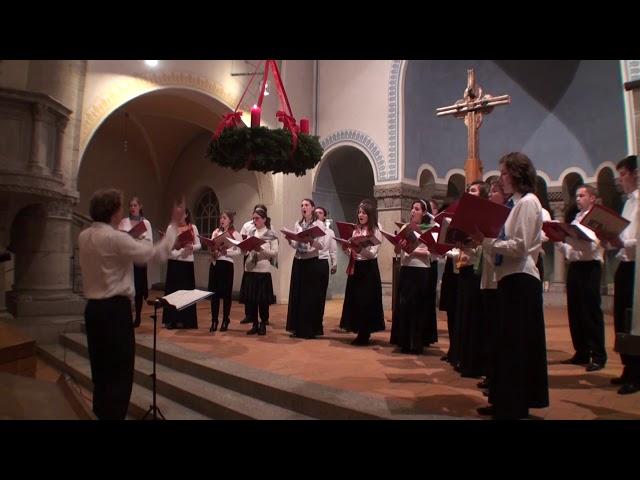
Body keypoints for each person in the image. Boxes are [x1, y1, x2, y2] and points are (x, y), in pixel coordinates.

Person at [78, 188, 181, 420]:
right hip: (114, 312)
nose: (123, 212)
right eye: (121, 208)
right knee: (119, 376)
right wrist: (174, 225)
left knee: (101, 372)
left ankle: (100, 414)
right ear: (114, 212)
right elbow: (156, 253)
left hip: (92, 310)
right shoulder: (116, 238)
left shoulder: (84, 236)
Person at [472, 152, 549, 420]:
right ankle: (503, 400)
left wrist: (486, 241)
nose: (500, 178)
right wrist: (484, 242)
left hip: (522, 281)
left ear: (517, 174)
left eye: (504, 173)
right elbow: (505, 249)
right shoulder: (515, 205)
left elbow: (520, 246)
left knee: (517, 345)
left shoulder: (528, 203)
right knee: (506, 345)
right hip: (510, 280)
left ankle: (515, 404)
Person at [556, 185, 606, 371]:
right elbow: (572, 251)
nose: (578, 199)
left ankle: (598, 355)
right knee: (575, 310)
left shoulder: (597, 218)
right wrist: (561, 242)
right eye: (576, 196)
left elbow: (592, 247)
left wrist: (574, 242)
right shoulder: (576, 218)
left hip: (590, 267)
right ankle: (582, 351)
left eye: (582, 195)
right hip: (576, 267)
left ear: (592, 198)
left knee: (590, 311)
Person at [603, 155, 639, 394]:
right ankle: (628, 366)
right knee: (622, 318)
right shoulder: (628, 202)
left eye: (623, 174)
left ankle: (637, 373)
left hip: (637, 267)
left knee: (634, 320)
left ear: (635, 174)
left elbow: (634, 239)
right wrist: (611, 239)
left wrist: (622, 242)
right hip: (625, 265)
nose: (620, 180)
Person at [390, 199, 434, 354]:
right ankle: (404, 341)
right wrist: (398, 245)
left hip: (421, 270)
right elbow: (397, 251)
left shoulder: (429, 229)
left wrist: (410, 250)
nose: (413, 211)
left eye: (417, 208)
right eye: (412, 208)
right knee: (405, 306)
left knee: (418, 307)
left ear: (424, 212)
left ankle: (417, 342)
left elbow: (430, 253)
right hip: (406, 269)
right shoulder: (405, 227)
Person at [339, 200, 385, 346]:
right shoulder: (356, 230)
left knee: (366, 301)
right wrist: (347, 249)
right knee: (355, 300)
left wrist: (360, 250)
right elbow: (353, 252)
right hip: (357, 267)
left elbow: (372, 254)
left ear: (370, 214)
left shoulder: (376, 229)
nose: (360, 215)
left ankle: (365, 333)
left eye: (364, 212)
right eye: (359, 212)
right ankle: (358, 329)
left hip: (369, 269)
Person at [455, 181, 488, 378]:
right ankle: (465, 358)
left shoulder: (484, 216)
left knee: (476, 317)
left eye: (473, 190)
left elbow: (484, 245)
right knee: (465, 316)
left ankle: (476, 363)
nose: (469, 192)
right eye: (467, 190)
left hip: (478, 271)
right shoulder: (465, 216)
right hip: (465, 269)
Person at [477, 180, 507, 392]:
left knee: (499, 332)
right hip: (488, 276)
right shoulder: (487, 217)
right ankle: (490, 373)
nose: (490, 195)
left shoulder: (510, 214)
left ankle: (497, 376)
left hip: (502, 279)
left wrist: (485, 240)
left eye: (495, 191)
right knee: (487, 329)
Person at [285, 198, 327, 339]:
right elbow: (296, 245)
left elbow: (322, 246)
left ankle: (309, 329)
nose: (304, 207)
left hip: (311, 262)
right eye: (302, 205)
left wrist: (311, 240)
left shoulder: (318, 224)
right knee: (297, 295)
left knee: (309, 296)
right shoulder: (298, 224)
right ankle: (297, 328)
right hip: (299, 261)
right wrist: (291, 239)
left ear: (312, 208)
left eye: (307, 205)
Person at [241, 206, 278, 336]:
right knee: (252, 300)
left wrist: (261, 249)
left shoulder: (271, 234)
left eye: (257, 218)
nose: (254, 221)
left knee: (262, 300)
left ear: (264, 219)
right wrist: (243, 248)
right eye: (253, 218)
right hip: (251, 268)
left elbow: (274, 253)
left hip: (263, 270)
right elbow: (245, 251)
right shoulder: (251, 233)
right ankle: (255, 324)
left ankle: (263, 324)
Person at [118, 196, 153, 328]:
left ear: (140, 207)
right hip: (127, 259)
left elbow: (149, 243)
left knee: (138, 289)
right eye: (131, 205)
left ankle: (137, 317)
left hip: (139, 258)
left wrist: (139, 239)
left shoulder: (146, 223)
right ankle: (126, 315)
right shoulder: (124, 222)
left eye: (135, 205)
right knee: (126, 287)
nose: (132, 208)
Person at [163, 208, 201, 329]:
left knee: (186, 293)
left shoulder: (192, 227)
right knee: (173, 292)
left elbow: (199, 244)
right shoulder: (171, 228)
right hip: (174, 262)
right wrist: (179, 250)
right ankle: (172, 320)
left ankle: (186, 320)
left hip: (187, 264)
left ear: (186, 215)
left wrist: (192, 247)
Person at [208, 210, 242, 332]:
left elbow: (239, 251)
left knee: (226, 295)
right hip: (215, 264)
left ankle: (225, 319)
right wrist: (213, 250)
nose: (221, 220)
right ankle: (214, 320)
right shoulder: (215, 232)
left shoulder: (236, 234)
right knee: (214, 295)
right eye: (221, 218)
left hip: (227, 266)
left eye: (224, 218)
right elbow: (212, 246)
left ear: (230, 220)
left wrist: (227, 252)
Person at [239, 204, 268, 325]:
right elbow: (242, 240)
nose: (256, 219)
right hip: (249, 255)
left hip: (262, 256)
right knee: (249, 287)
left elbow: (272, 243)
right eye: (255, 214)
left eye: (259, 215)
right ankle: (249, 314)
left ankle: (264, 318)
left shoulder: (268, 228)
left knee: (262, 291)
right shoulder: (247, 225)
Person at [315, 206, 337, 325]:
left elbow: (333, 250)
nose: (317, 214)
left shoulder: (330, 232)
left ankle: (319, 320)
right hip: (311, 261)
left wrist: (334, 264)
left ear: (324, 216)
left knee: (321, 293)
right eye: (316, 212)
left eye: (320, 212)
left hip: (323, 262)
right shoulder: (311, 228)